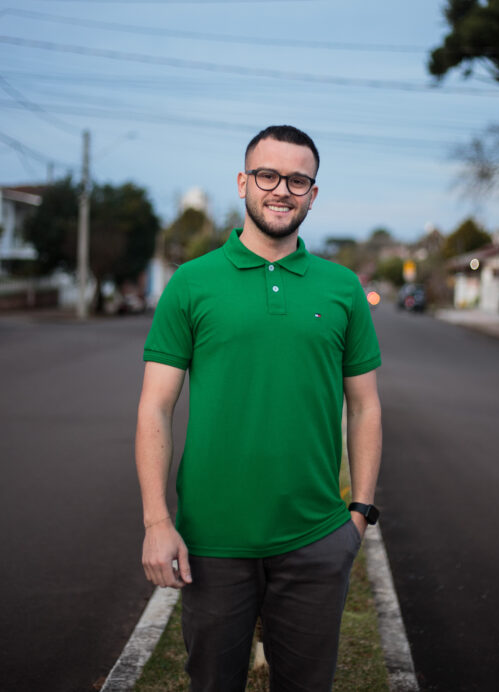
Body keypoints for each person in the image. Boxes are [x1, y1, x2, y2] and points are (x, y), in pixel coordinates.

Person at [135, 124, 382, 691]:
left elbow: (365, 406)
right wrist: (156, 521)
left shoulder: (342, 288)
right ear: (243, 182)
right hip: (212, 542)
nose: (282, 190)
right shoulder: (192, 283)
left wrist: (359, 515)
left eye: (298, 180)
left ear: (313, 194)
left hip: (317, 538)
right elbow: (155, 407)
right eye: (268, 175)